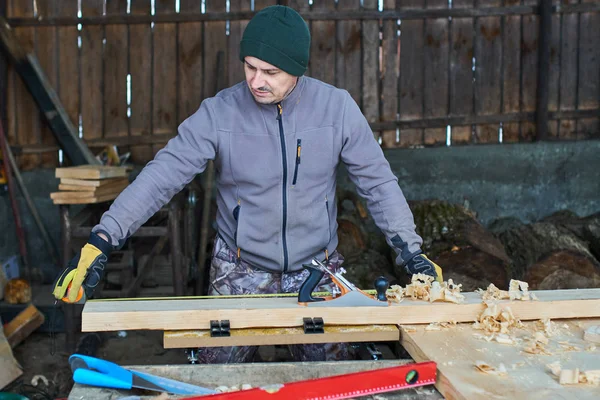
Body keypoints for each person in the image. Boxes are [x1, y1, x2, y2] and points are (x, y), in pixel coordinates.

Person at [52, 5, 443, 362]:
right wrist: (103, 239)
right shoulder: (219, 112)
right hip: (239, 268)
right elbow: (162, 175)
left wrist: (410, 251)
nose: (257, 81)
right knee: (216, 375)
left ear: (298, 69)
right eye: (250, 67)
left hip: (317, 269)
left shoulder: (336, 109)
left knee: (332, 376)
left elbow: (377, 182)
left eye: (271, 72)